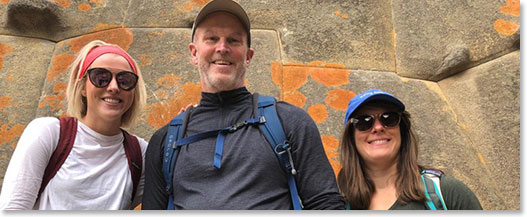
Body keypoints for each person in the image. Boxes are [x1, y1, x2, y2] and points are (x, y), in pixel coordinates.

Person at [142, 0, 345, 210]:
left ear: (248, 56)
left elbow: (326, 205)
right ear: (194, 53)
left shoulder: (289, 122)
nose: (222, 48)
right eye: (212, 38)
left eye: (234, 40)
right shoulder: (165, 141)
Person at [0, 40, 148, 210]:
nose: (114, 87)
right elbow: (13, 208)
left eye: (125, 80)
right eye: (101, 78)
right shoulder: (49, 133)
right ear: (83, 86)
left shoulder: (140, 153)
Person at [337, 89, 483, 210]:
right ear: (351, 138)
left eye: (389, 118)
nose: (378, 127)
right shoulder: (339, 205)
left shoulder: (447, 192)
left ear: (402, 130)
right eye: (364, 122)